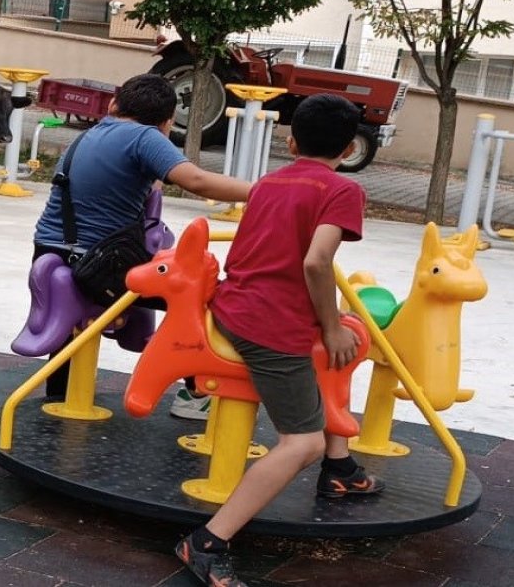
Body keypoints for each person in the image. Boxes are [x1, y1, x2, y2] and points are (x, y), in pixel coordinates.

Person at [176, 94, 385, 587]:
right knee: (302, 441)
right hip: (268, 326)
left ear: (290, 143)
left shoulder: (270, 181)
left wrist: (328, 326)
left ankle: (342, 467)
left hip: (234, 305)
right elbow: (316, 261)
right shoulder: (342, 190)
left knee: (334, 355)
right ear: (350, 146)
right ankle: (207, 540)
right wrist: (331, 324)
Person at [32, 73, 251, 410]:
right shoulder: (145, 137)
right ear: (166, 124)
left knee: (71, 328)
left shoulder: (92, 133)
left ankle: (59, 399)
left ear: (113, 104)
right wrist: (265, 191)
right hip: (101, 265)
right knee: (204, 296)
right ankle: (196, 392)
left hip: (50, 250)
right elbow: (196, 180)